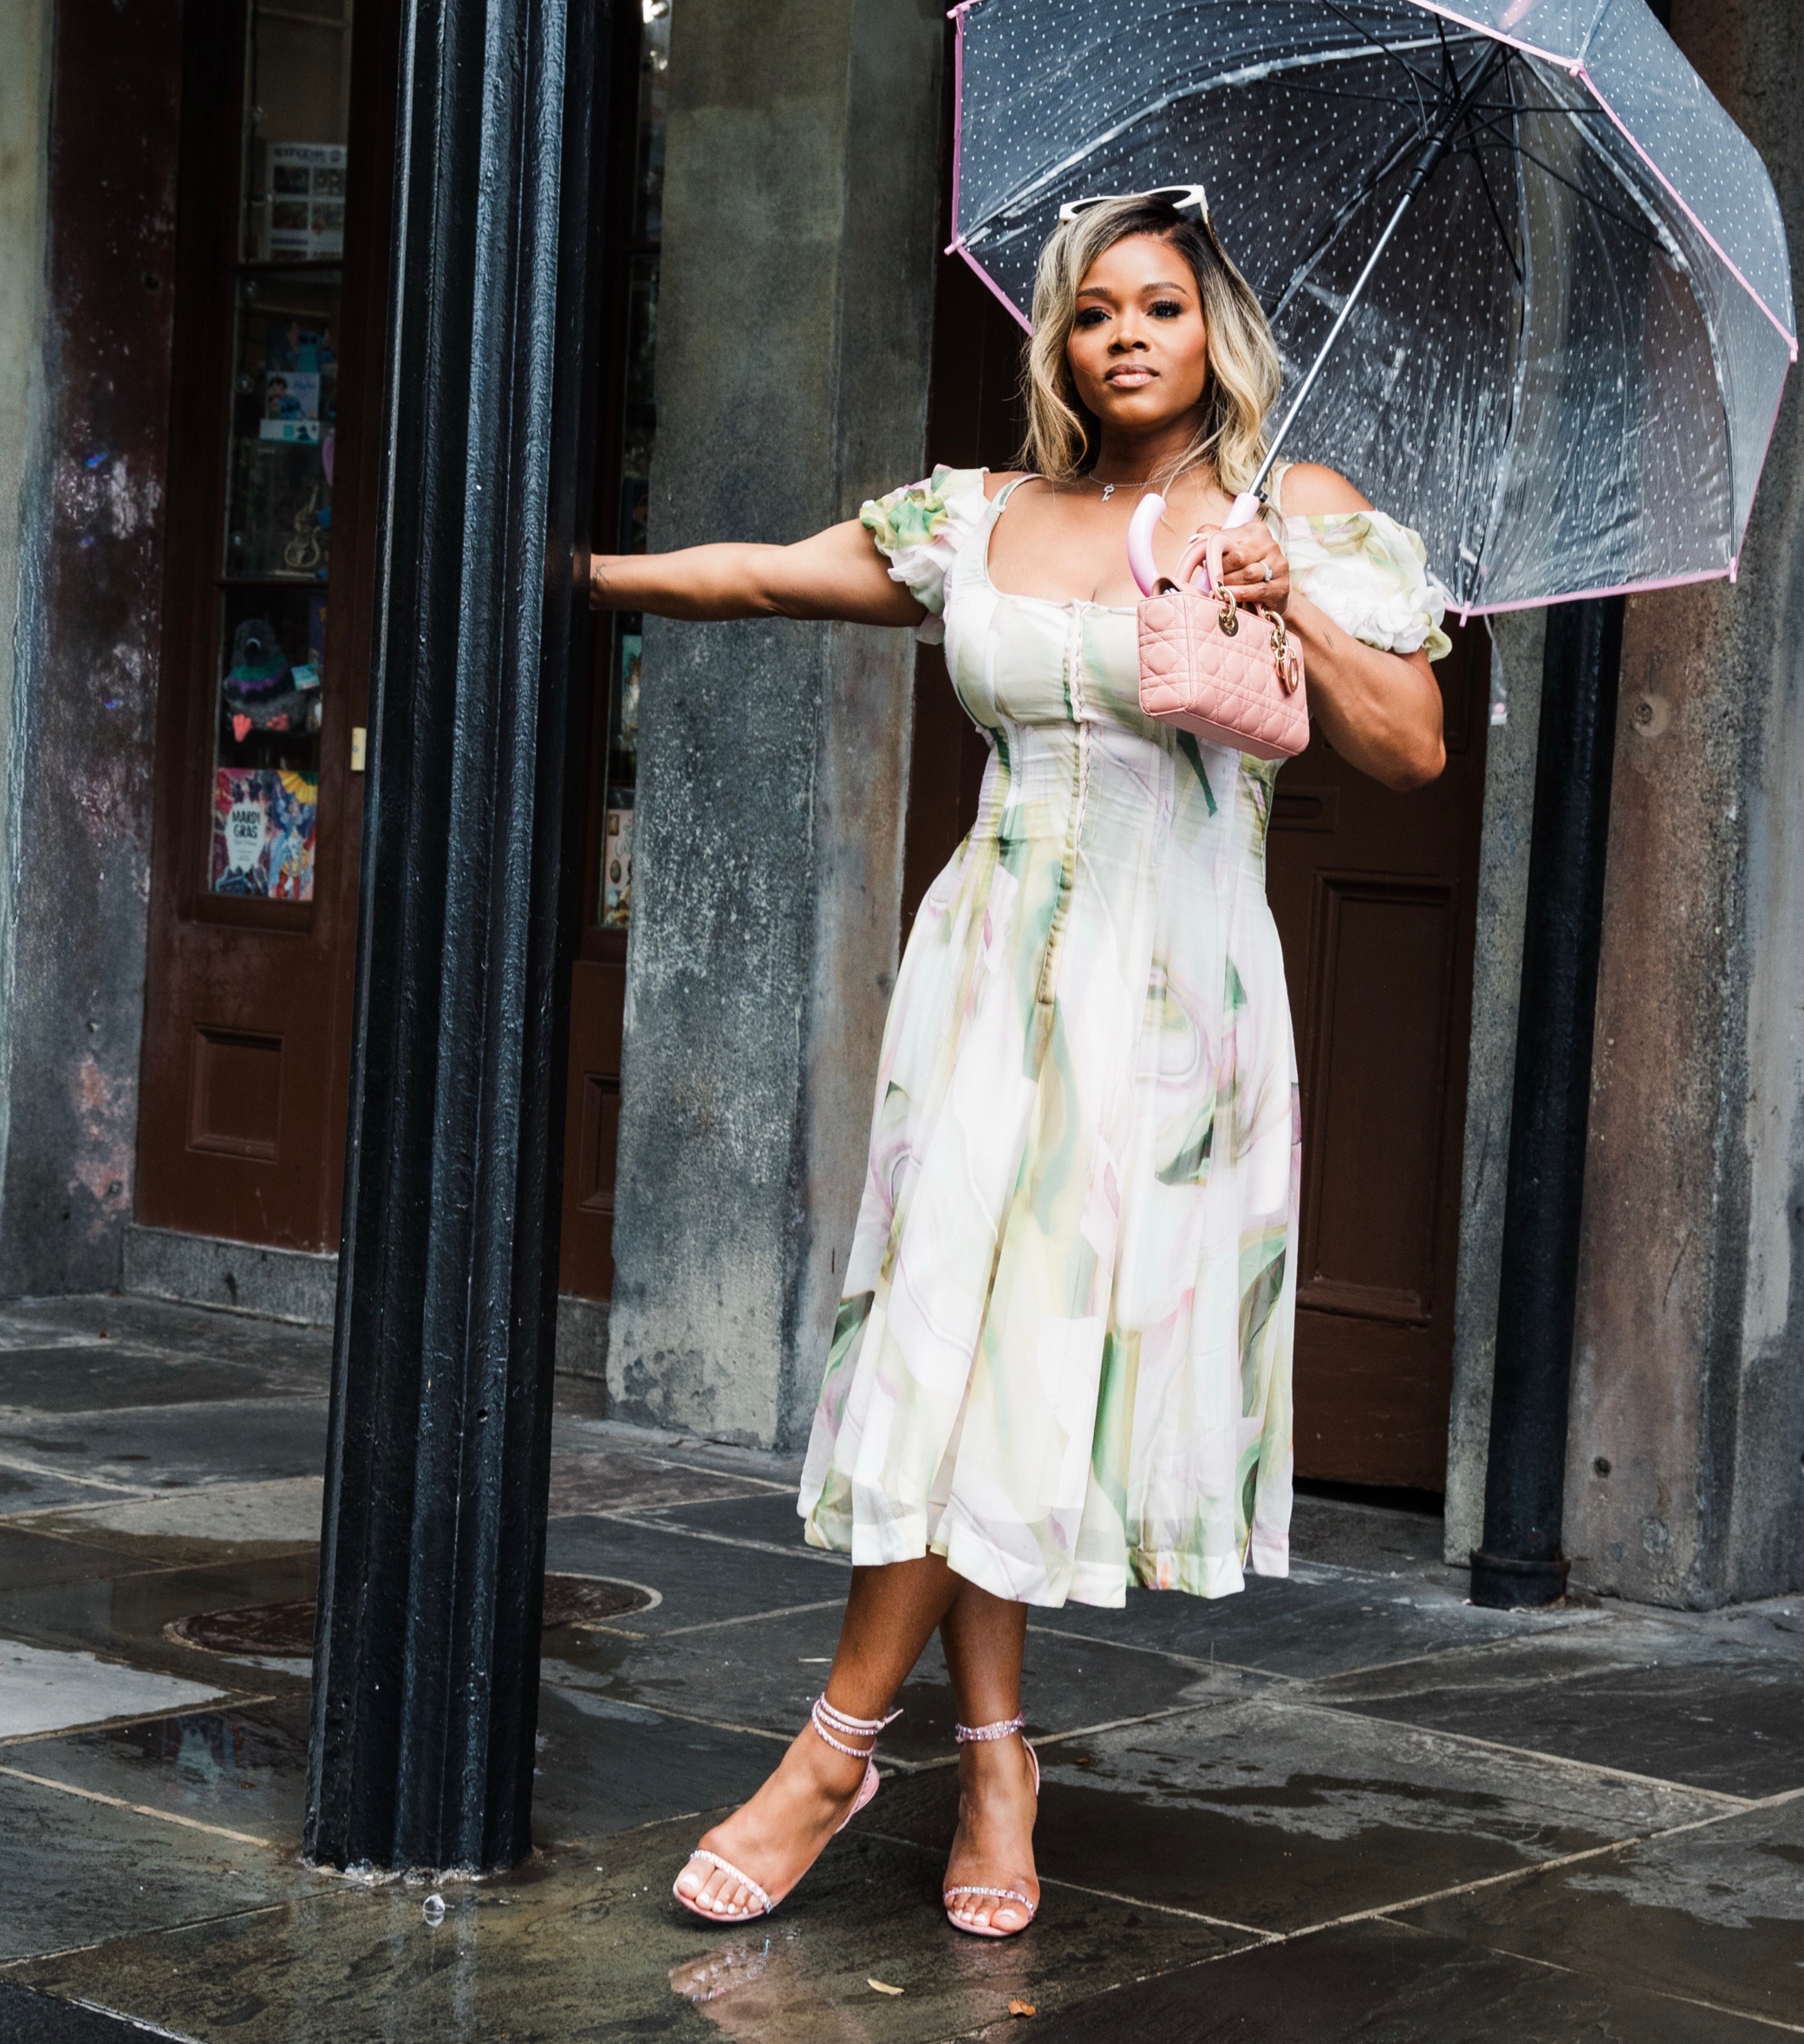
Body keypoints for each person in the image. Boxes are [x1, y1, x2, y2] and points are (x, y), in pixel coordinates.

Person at [590, 191, 1448, 1940]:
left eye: (1160, 306)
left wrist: (1312, 612)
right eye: (1092, 313)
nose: (1125, 335)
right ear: (1058, 344)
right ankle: (992, 1759)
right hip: (980, 974)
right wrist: (567, 570)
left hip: (1165, 1003)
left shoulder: (1303, 518)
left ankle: (836, 1749)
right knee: (947, 1352)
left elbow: (1414, 749)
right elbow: (763, 574)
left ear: (1218, 332)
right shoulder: (981, 517)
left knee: (1023, 1360)